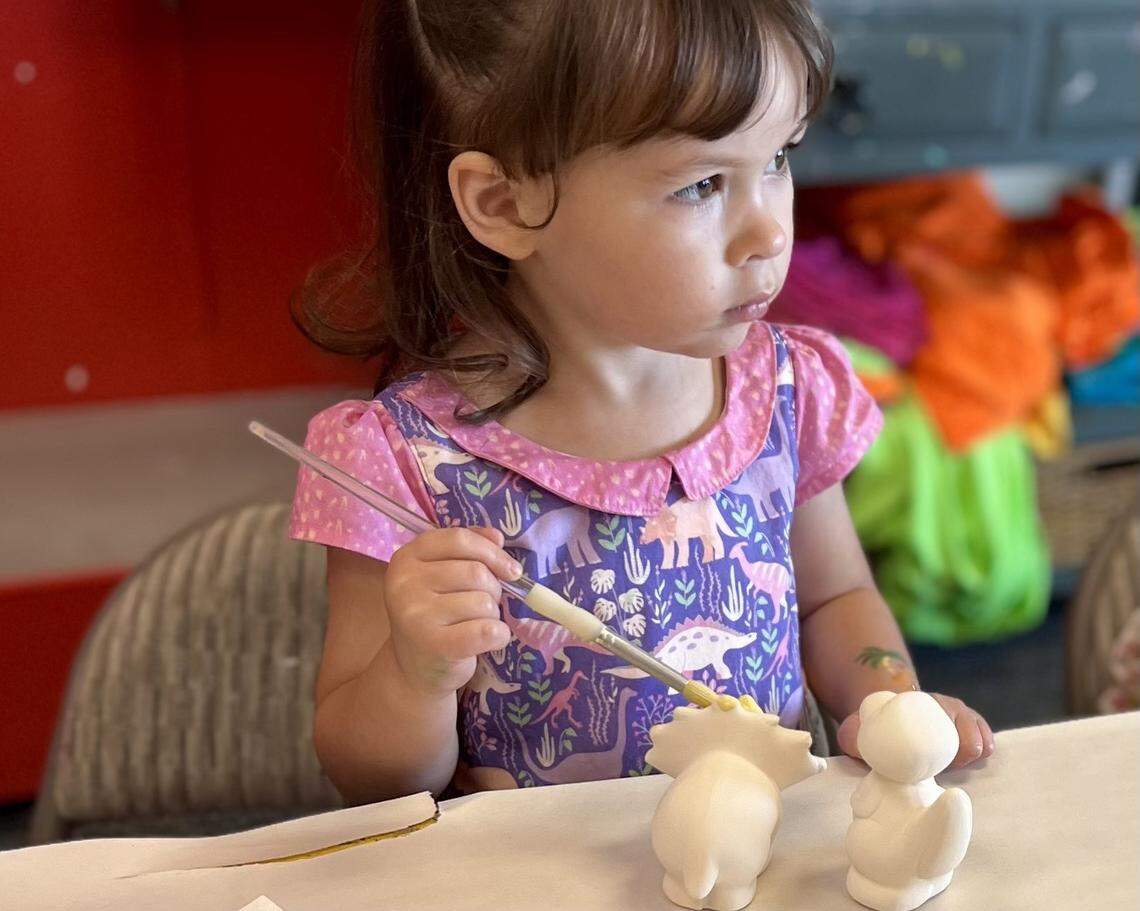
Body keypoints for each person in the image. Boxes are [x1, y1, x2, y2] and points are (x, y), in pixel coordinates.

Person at [289, 0, 995, 805]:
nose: (770, 232)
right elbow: (369, 779)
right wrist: (414, 671)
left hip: (766, 850)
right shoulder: (396, 461)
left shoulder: (784, 391)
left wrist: (890, 702)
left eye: (778, 157)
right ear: (505, 204)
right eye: (702, 184)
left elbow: (835, 599)